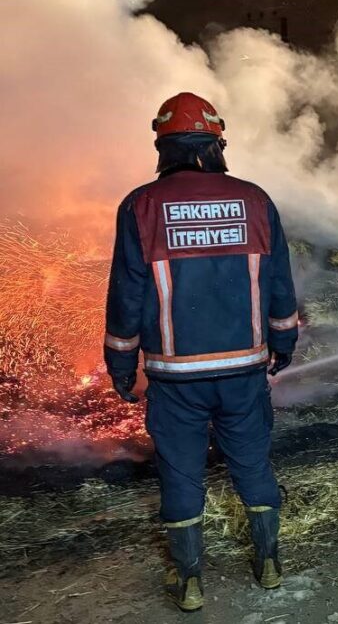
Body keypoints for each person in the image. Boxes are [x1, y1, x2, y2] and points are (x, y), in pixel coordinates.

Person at [104, 92, 299, 611]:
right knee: (253, 465)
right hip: (243, 372)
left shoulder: (141, 206)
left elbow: (127, 293)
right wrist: (283, 343)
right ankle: (270, 564)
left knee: (181, 472)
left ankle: (190, 582)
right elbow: (279, 284)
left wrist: (122, 365)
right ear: (216, 144)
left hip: (175, 379)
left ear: (163, 147)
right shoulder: (255, 201)